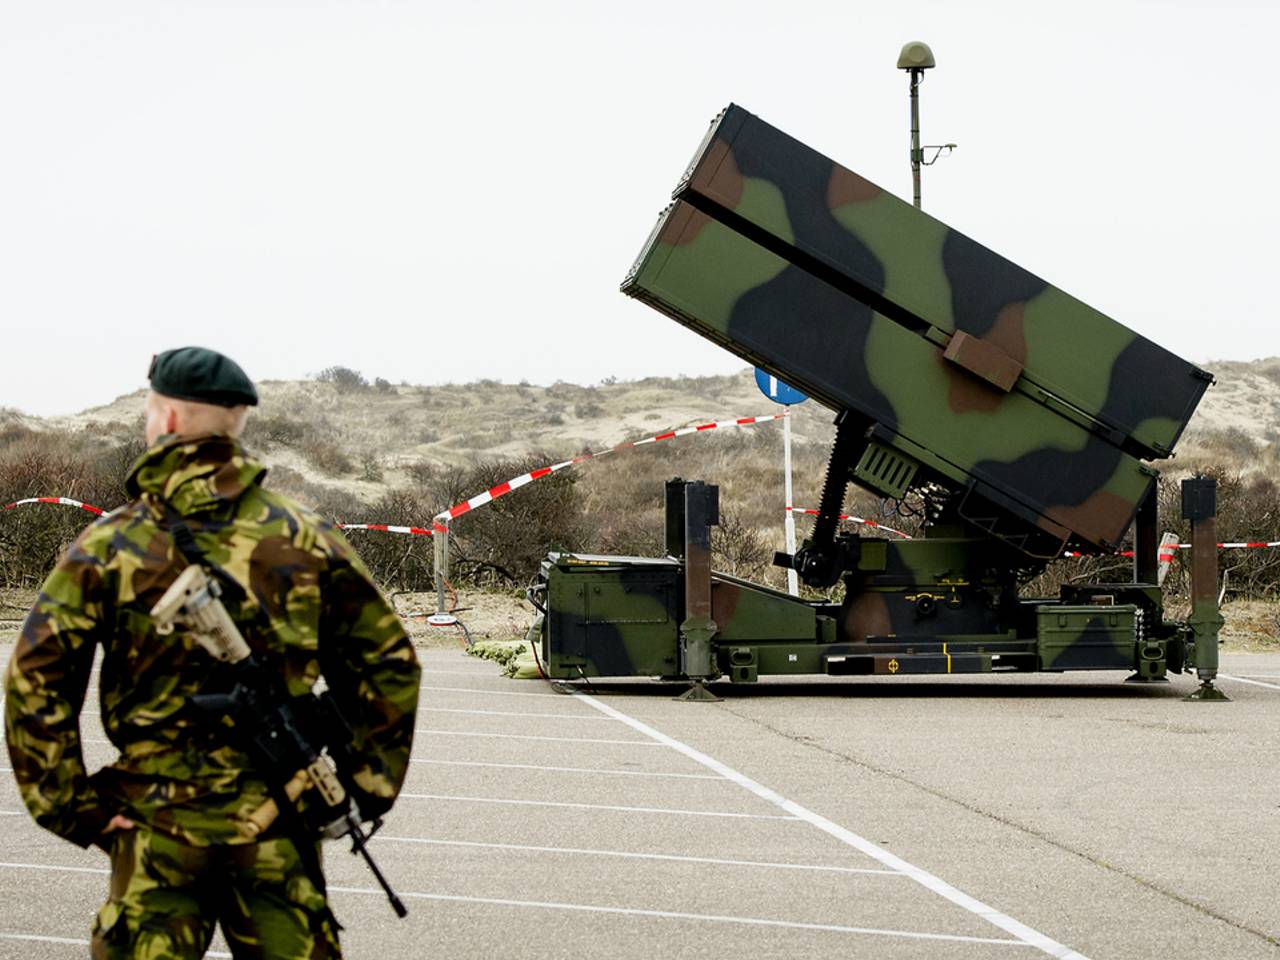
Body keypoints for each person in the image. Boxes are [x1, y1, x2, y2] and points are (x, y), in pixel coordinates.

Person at [4, 346, 421, 958]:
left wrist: (74, 808)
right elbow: (389, 664)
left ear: (167, 420)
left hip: (155, 824)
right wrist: (363, 786)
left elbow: (35, 678)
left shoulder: (112, 543)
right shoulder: (306, 536)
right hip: (280, 815)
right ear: (237, 423)